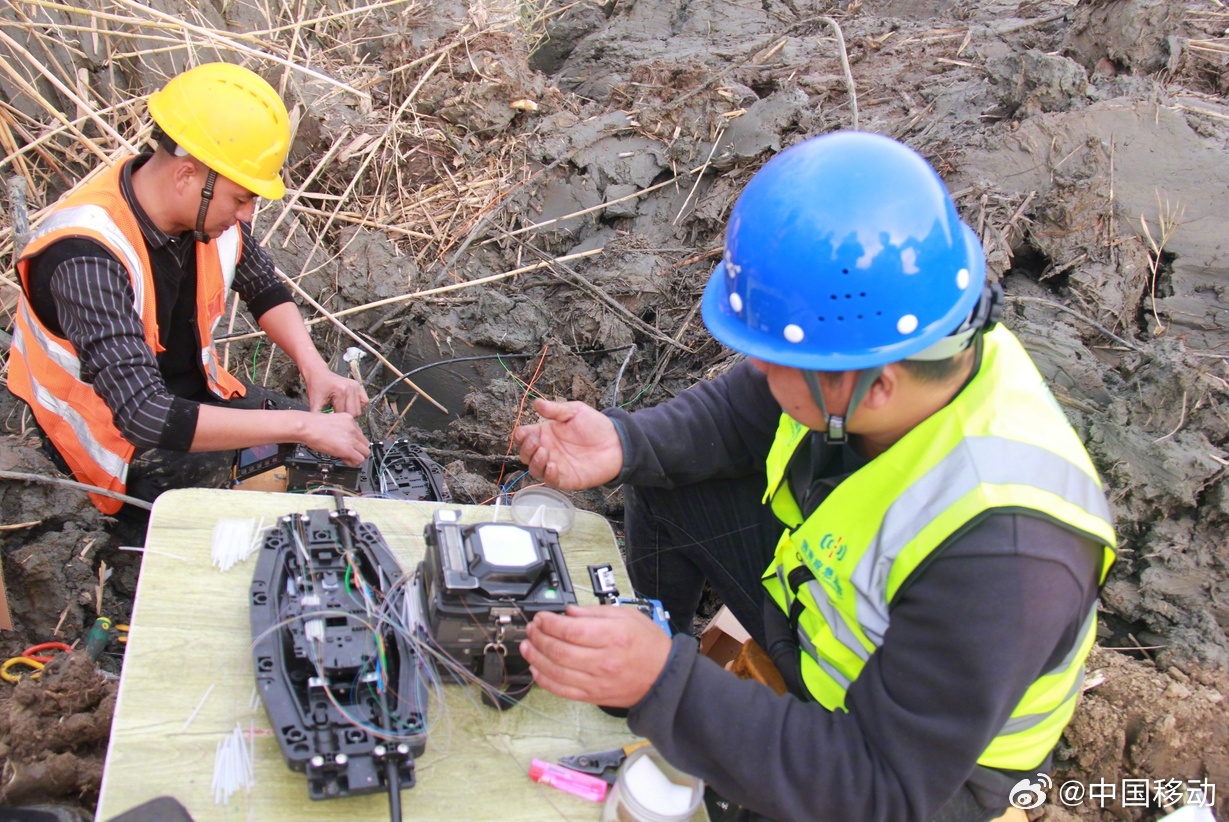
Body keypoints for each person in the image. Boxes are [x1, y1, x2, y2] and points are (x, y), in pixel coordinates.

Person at [513, 132, 1117, 821]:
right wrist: (625, 441)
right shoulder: (901, 351)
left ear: (873, 387)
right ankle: (663, 661)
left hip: (917, 781)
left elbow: (879, 788)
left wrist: (663, 684)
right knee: (671, 476)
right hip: (812, 630)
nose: (756, 374)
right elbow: (741, 414)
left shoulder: (1010, 555)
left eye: (773, 361)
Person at [7, 63, 370, 515]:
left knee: (324, 458)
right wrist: (300, 425)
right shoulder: (87, 255)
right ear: (187, 177)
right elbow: (143, 414)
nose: (246, 214)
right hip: (114, 441)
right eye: (241, 198)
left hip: (192, 399)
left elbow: (264, 288)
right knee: (262, 502)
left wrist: (316, 368)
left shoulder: (207, 217)